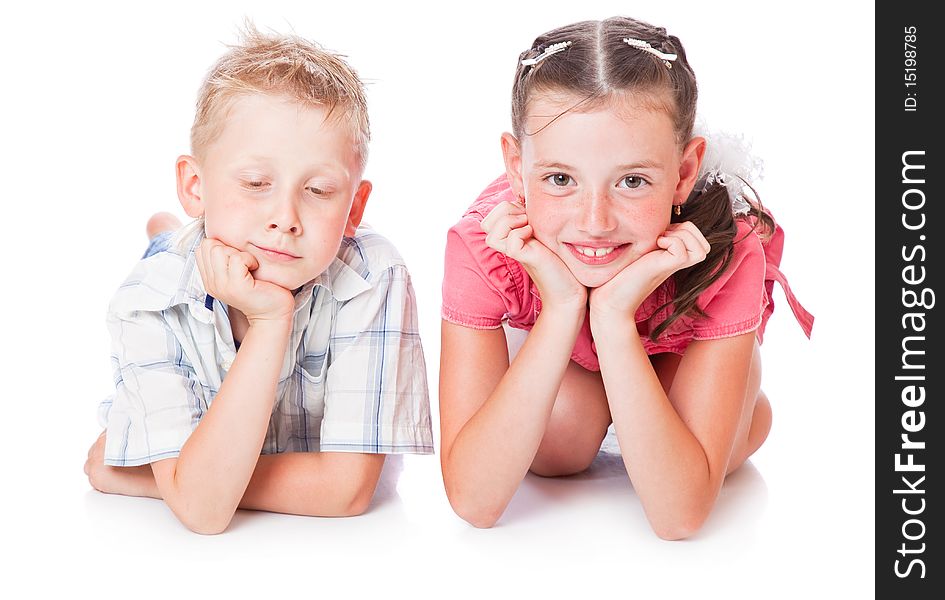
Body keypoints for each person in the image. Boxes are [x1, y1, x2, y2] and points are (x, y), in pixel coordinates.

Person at [438, 16, 813, 539]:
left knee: (706, 458)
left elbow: (678, 517)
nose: (595, 220)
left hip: (675, 349)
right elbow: (475, 502)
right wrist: (564, 307)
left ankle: (735, 412)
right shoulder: (485, 243)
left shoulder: (726, 253)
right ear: (515, 166)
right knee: (557, 443)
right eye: (560, 179)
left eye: (632, 181)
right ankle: (606, 402)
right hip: (570, 354)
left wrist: (612, 317)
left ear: (683, 173)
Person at [84, 26, 433, 534]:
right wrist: (271, 323)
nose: (285, 217)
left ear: (355, 207)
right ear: (195, 185)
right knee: (168, 250)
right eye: (255, 184)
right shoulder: (147, 301)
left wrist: (168, 478)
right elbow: (206, 516)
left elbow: (347, 491)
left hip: (227, 240)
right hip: (190, 260)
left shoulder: (373, 276)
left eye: (318, 189)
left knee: (202, 238)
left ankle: (177, 229)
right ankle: (168, 232)